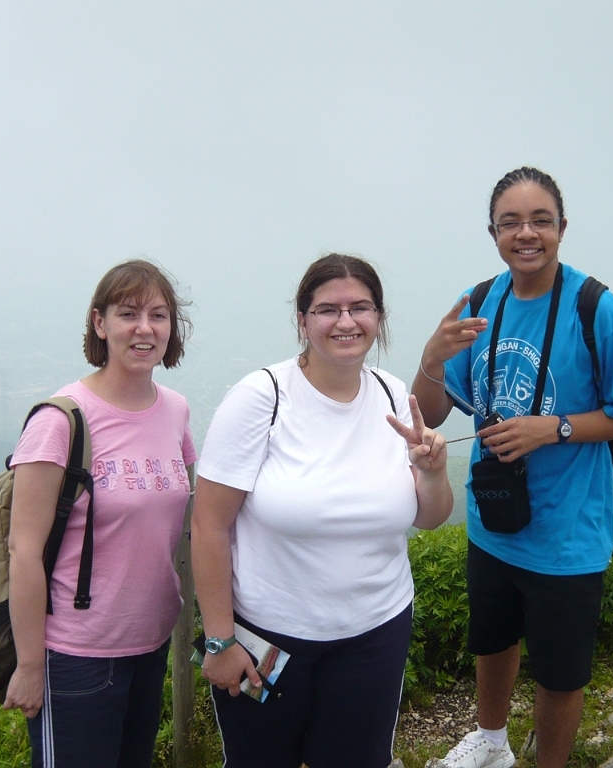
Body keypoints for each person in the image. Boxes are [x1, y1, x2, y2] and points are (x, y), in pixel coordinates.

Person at [412, 167, 613, 768]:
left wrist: (556, 427)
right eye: (511, 222)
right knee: (491, 643)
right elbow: (435, 412)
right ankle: (492, 743)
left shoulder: (596, 308)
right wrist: (431, 358)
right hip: (493, 516)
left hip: (567, 531)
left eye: (540, 220)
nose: (527, 233)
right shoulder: (478, 303)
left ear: (562, 228)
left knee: (560, 673)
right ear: (492, 232)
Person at [192, 253, 453, 768]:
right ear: (302, 319)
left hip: (374, 632)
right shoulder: (260, 398)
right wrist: (220, 639)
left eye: (361, 307)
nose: (346, 321)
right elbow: (209, 524)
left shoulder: (393, 395)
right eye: (327, 309)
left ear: (379, 317)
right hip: (268, 638)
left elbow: (429, 517)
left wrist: (433, 471)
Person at [2, 259, 196, 768]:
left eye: (158, 315)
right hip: (74, 655)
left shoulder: (175, 409)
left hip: (151, 641)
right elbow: (23, 550)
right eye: (128, 313)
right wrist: (28, 665)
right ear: (99, 323)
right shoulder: (62, 419)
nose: (144, 328)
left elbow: (190, 513)